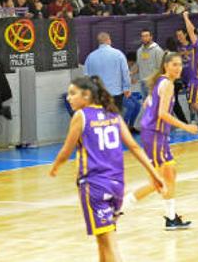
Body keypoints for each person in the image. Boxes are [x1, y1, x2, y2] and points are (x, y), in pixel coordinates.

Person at [49, 75, 164, 261]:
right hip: (117, 186)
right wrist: (154, 173)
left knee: (109, 244)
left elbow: (66, 150)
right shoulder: (113, 114)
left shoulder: (81, 116)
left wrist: (55, 167)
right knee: (103, 241)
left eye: (72, 93)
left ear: (86, 96)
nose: (68, 98)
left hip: (94, 186)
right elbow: (134, 147)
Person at [121, 53, 198, 230]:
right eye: (174, 65)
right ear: (166, 66)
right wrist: (186, 126)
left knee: (170, 174)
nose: (178, 68)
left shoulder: (161, 81)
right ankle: (118, 209)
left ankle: (171, 218)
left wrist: (151, 105)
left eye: (180, 65)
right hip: (155, 134)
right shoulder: (168, 84)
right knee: (158, 181)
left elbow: (148, 102)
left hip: (157, 134)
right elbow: (162, 114)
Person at [83, 32, 130, 110]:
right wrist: (126, 88)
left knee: (99, 120)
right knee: (114, 118)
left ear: (99, 42)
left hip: (98, 94)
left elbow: (86, 76)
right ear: (109, 40)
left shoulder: (90, 57)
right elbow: (125, 72)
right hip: (115, 94)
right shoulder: (119, 54)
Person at [133, 29, 164, 132]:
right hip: (143, 82)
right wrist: (133, 76)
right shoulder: (139, 51)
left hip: (153, 83)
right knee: (148, 105)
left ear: (151, 37)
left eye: (146, 36)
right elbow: (138, 65)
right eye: (143, 36)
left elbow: (161, 67)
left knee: (154, 104)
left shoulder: (157, 50)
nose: (144, 38)